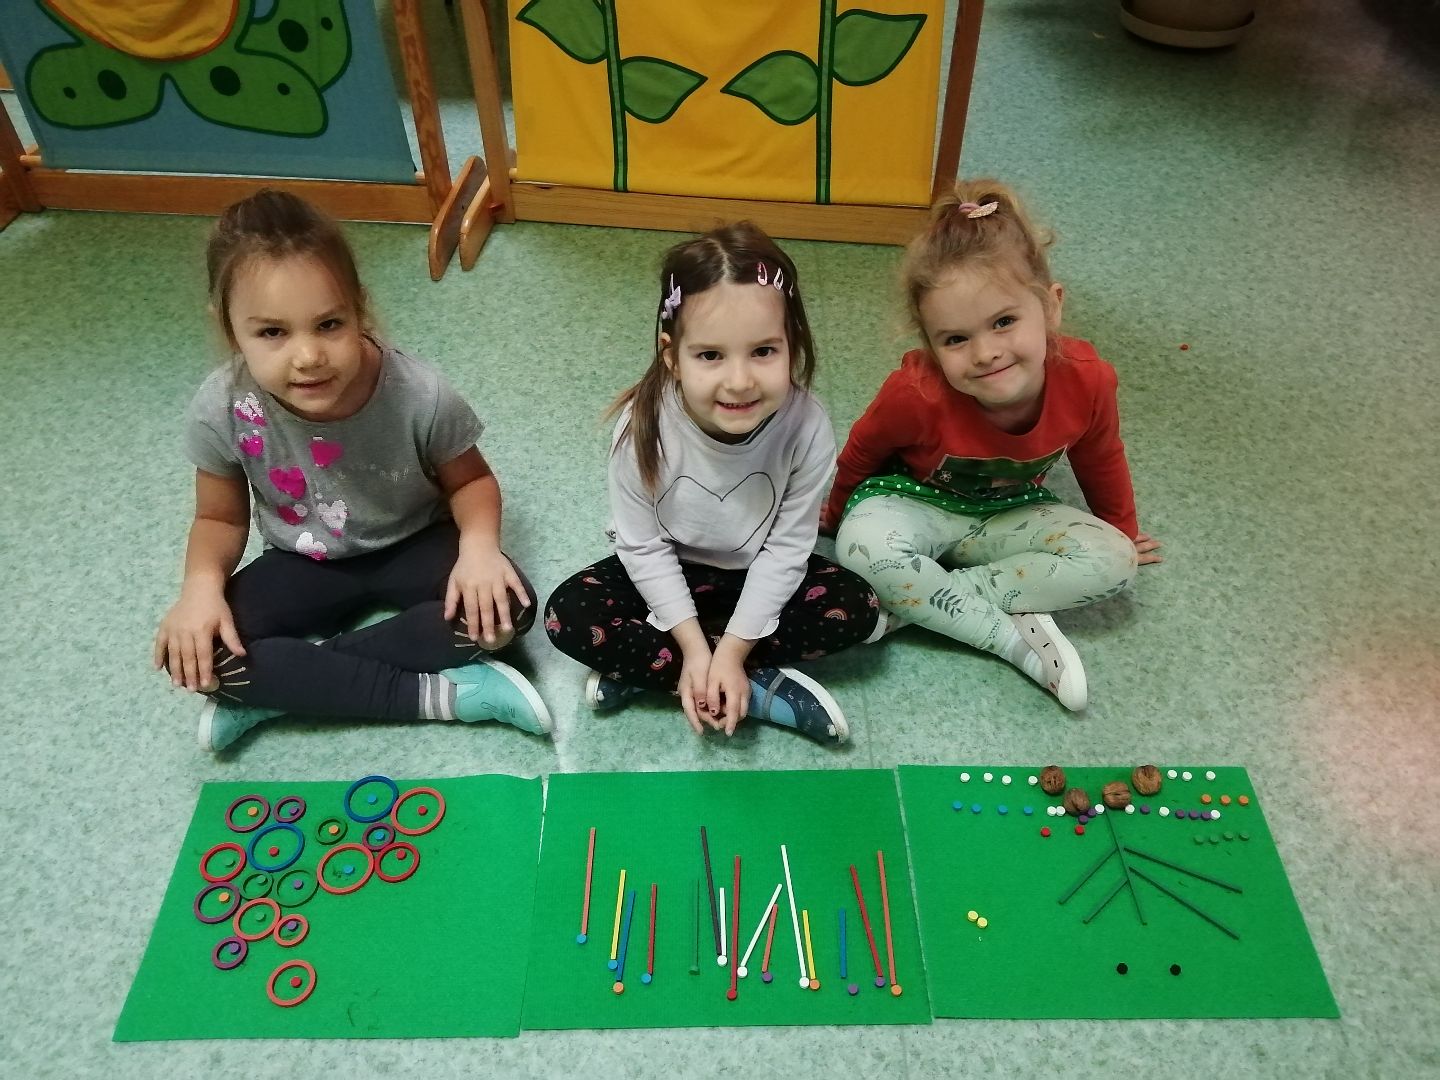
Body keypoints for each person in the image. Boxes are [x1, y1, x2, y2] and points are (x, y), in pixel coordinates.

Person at [153, 189, 549, 751]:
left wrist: (480, 550)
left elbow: (471, 481)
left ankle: (287, 688)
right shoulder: (220, 407)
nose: (308, 356)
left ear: (358, 308)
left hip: (414, 541)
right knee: (199, 653)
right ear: (228, 326)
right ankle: (438, 695)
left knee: (507, 608)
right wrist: (199, 589)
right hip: (302, 559)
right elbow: (219, 519)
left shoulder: (419, 393)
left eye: (329, 324)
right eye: (272, 332)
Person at [823, 180, 1162, 711]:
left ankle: (920, 603)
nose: (985, 353)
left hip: (1009, 513)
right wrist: (835, 513)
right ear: (930, 345)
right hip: (912, 502)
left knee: (1116, 561)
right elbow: (862, 451)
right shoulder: (914, 393)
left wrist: (1121, 526)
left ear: (1051, 307)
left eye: (1004, 322)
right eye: (956, 339)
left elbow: (1100, 454)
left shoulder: (1089, 379)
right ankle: (1009, 638)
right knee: (861, 551)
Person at [545, 223, 881, 744]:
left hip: (756, 569)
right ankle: (730, 681)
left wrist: (731, 651)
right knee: (567, 615)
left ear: (792, 346)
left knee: (858, 608)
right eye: (710, 355)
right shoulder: (640, 428)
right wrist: (696, 649)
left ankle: (673, 671)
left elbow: (788, 549)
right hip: (669, 568)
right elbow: (642, 547)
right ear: (671, 356)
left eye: (764, 351)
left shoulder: (807, 425)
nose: (740, 381)